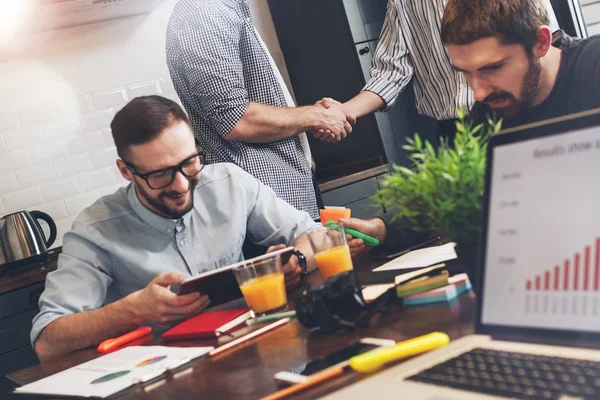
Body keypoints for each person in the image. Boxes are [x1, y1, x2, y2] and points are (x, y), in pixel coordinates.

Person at [31, 96, 320, 361]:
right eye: (160, 174)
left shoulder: (229, 183)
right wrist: (131, 311)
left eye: (189, 162)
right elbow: (47, 340)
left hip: (257, 352)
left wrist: (299, 261)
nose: (181, 185)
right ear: (126, 171)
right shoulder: (95, 230)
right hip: (166, 377)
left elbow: (315, 235)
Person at [165, 0, 355, 221]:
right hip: (265, 201)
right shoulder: (206, 11)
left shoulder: (221, 8)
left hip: (281, 191)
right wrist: (317, 116)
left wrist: (314, 118)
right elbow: (234, 118)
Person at [317, 0, 558, 140]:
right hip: (458, 135)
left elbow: (548, 41)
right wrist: (342, 111)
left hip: (524, 115)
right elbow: (390, 72)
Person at [441, 0, 600, 129]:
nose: (479, 94)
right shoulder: (483, 119)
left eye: (493, 67)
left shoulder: (593, 66)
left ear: (541, 42)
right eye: (465, 72)